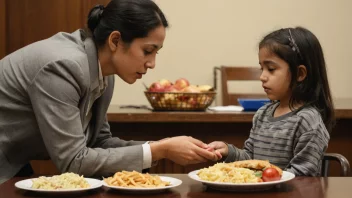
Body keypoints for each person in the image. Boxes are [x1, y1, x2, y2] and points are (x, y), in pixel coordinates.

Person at [0, 0, 219, 184]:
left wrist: (160, 146)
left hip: (14, 160)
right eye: (148, 51)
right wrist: (159, 150)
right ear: (115, 40)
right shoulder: (63, 66)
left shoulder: (104, 71)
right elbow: (74, 161)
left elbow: (98, 141)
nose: (152, 63)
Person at [208, 27, 334, 176]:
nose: (262, 76)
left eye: (271, 69)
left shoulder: (308, 121)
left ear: (300, 73)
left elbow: (303, 175)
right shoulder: (263, 114)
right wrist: (229, 151)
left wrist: (265, 180)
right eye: (262, 68)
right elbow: (251, 160)